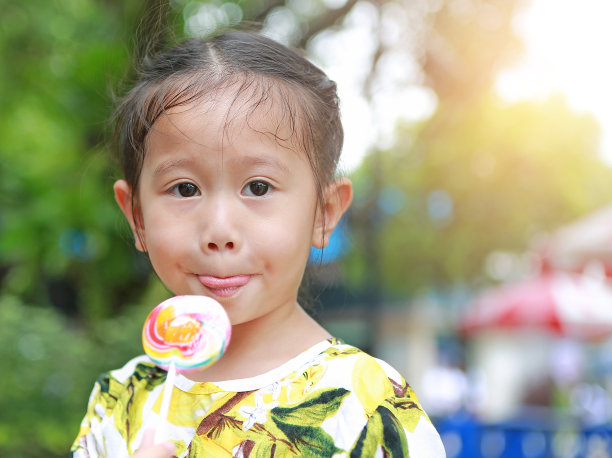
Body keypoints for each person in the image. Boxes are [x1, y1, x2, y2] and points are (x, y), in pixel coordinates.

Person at [71, 30, 445, 457]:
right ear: (136, 215)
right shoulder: (120, 401)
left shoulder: (368, 407)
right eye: (185, 189)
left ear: (323, 214)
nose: (219, 231)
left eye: (259, 187)